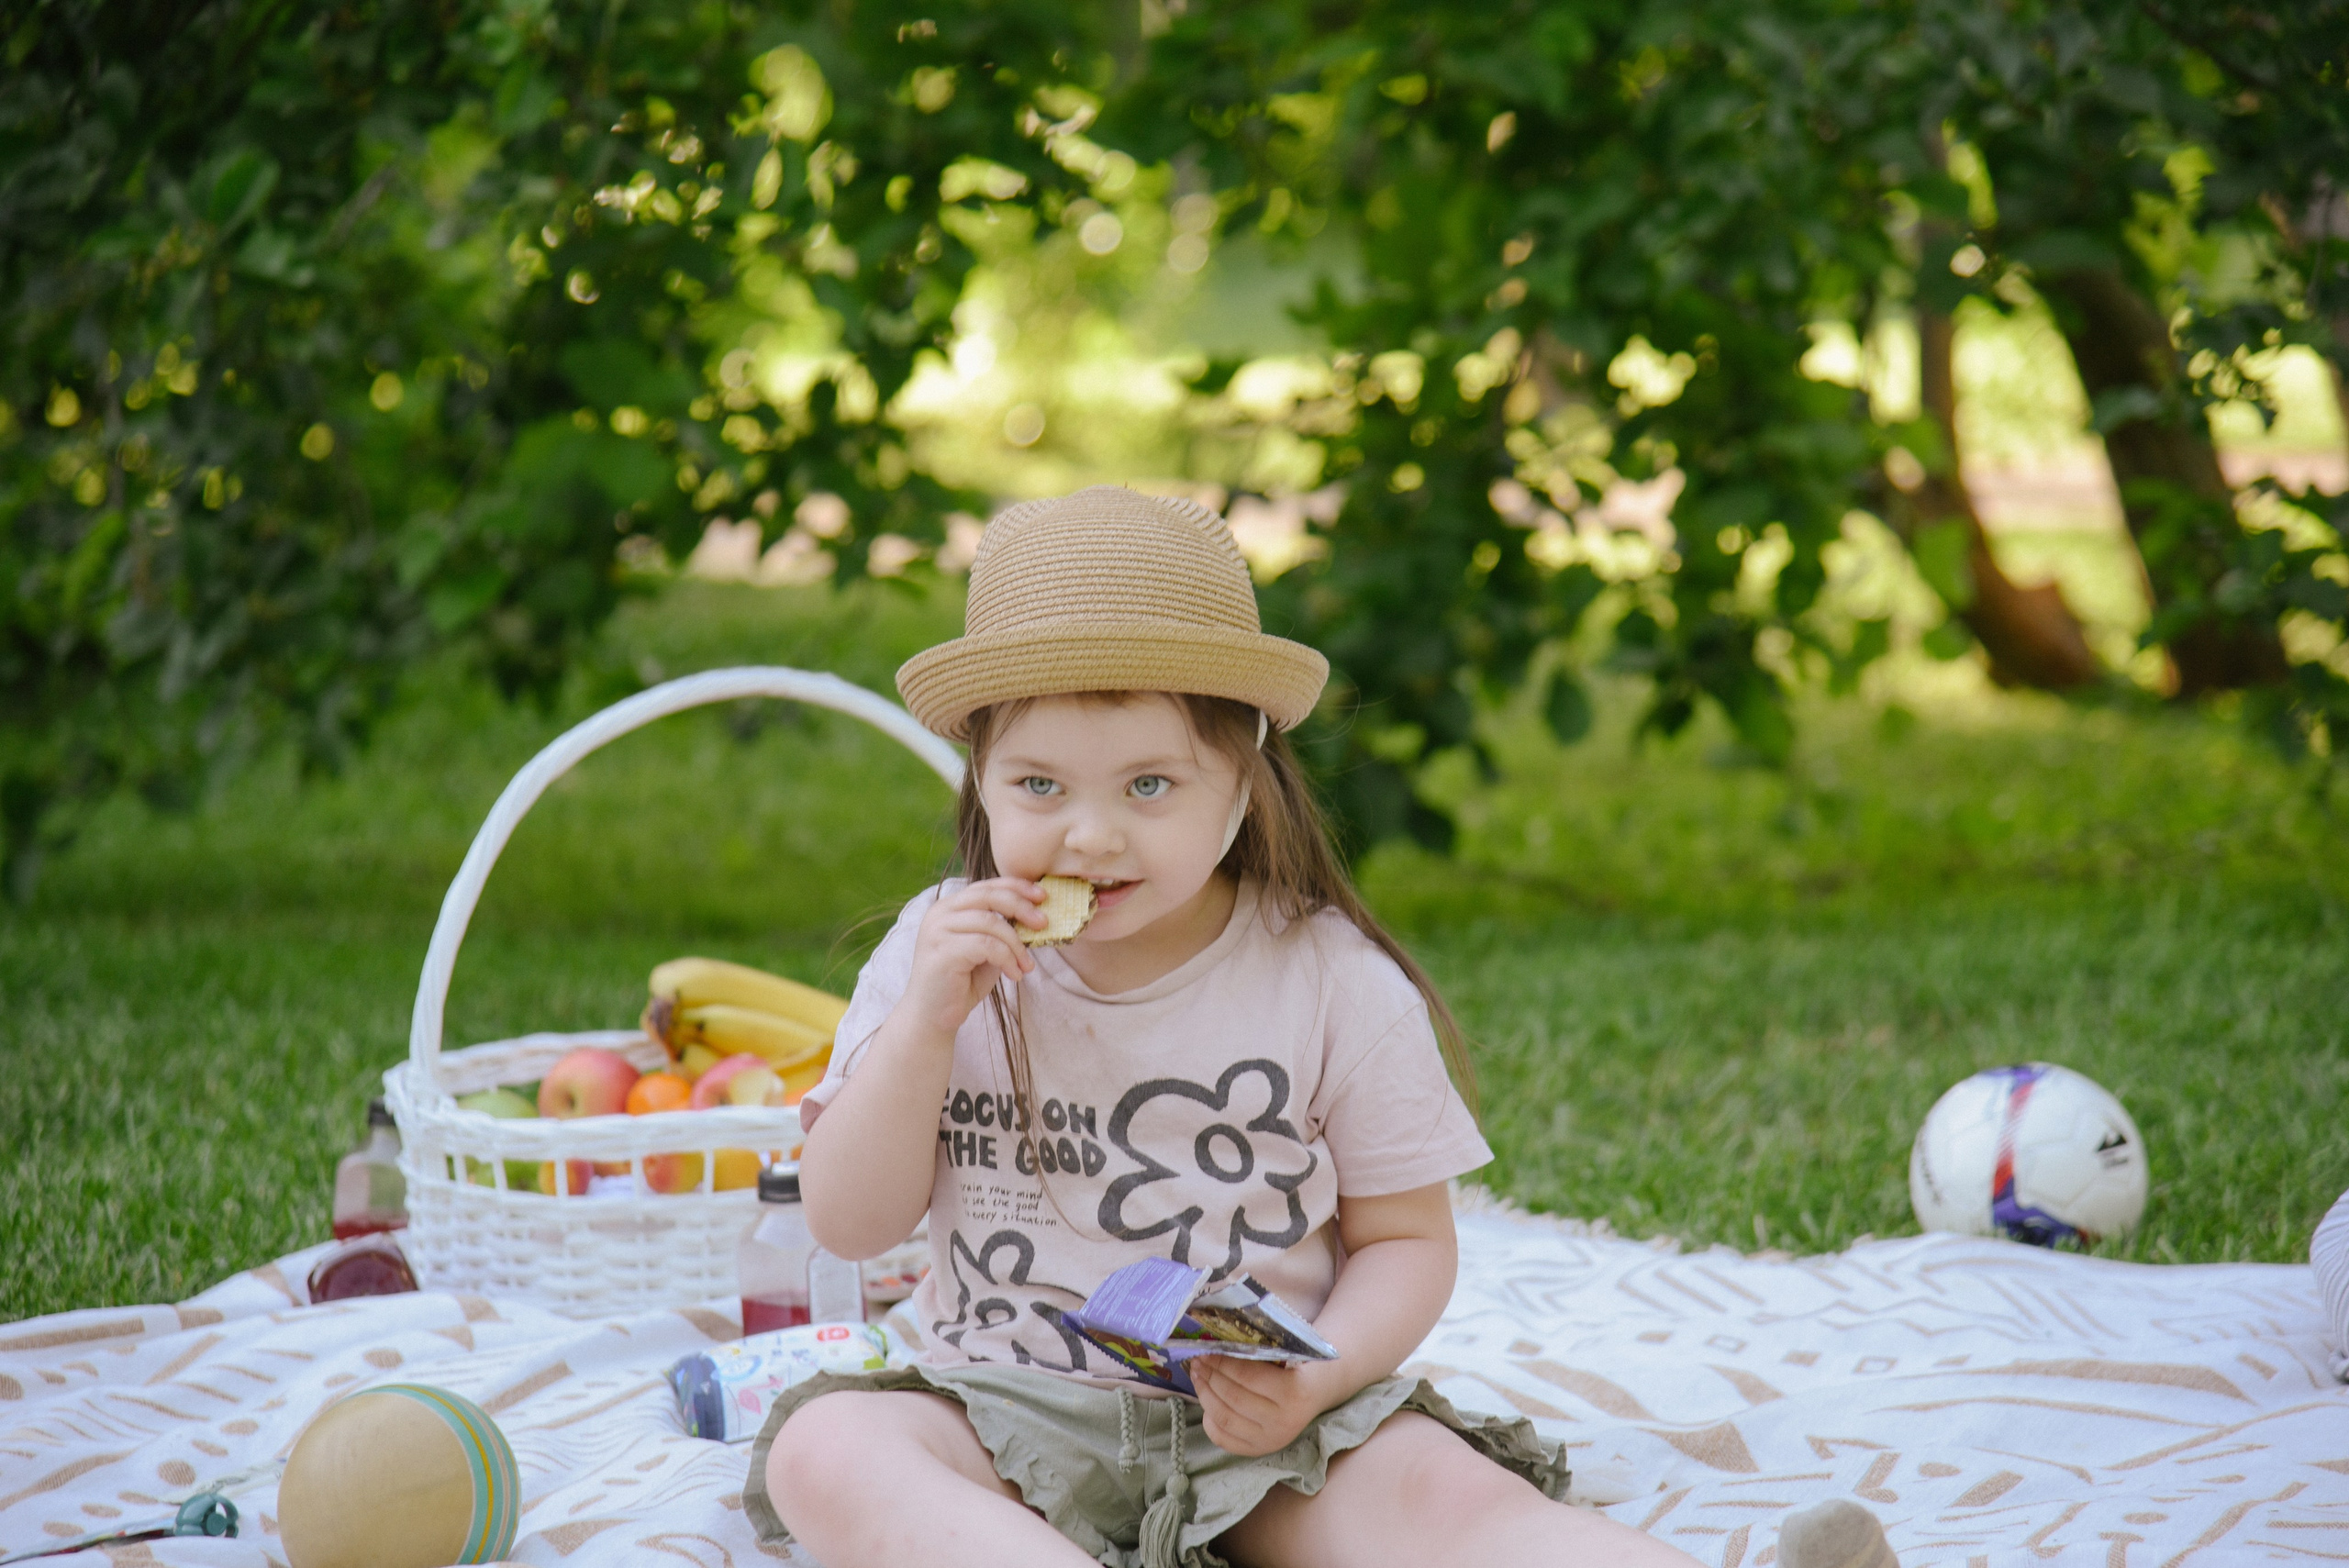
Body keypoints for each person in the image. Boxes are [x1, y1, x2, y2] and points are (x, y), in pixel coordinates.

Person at [740, 487, 1865, 1568]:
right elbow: (849, 1221)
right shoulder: (936, 953)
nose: (1089, 835)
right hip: (1000, 1409)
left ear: (1242, 783)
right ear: (981, 780)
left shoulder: (1329, 981)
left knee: (1451, 1497)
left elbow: (1406, 1241)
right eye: (1038, 785)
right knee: (827, 1448)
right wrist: (924, 1027)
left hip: (1264, 1434)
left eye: (1148, 786)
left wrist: (1316, 1383)